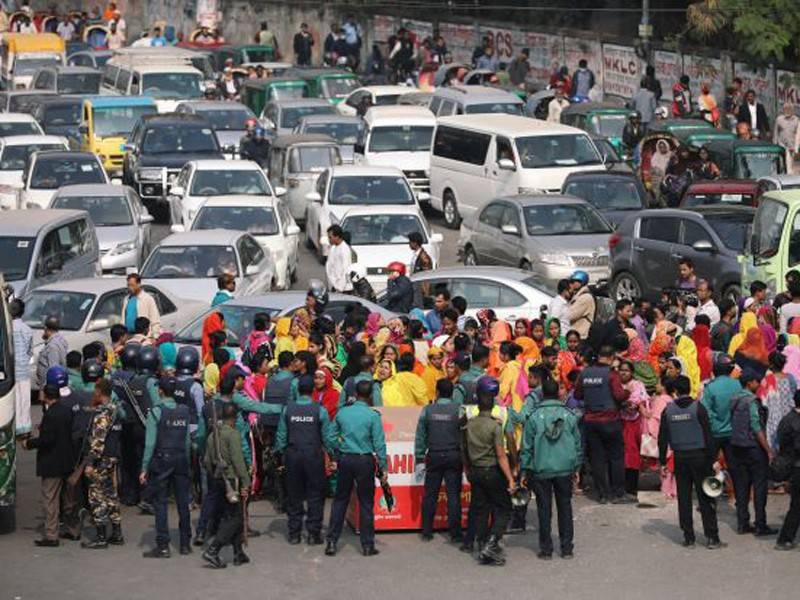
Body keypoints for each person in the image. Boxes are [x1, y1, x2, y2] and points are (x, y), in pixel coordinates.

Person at [325, 379, 387, 557]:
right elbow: (379, 444)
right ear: (370, 396)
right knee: (366, 503)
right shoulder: (373, 416)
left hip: (345, 459)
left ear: (356, 394)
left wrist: (335, 452)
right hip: (365, 461)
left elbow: (330, 437)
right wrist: (383, 466)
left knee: (340, 501)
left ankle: (331, 542)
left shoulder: (343, 413)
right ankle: (367, 545)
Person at [521, 377, 581, 559]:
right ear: (557, 393)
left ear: (541, 394)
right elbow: (578, 445)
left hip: (541, 469)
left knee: (544, 509)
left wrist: (524, 470)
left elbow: (526, 447)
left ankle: (546, 550)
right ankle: (566, 548)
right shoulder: (569, 415)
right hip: (564, 468)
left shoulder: (533, 417)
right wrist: (576, 469)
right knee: (565, 507)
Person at [658, 375, 722, 548]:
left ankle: (688, 537)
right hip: (700, 458)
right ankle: (712, 537)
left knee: (684, 499)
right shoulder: (698, 408)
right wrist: (713, 460)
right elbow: (709, 436)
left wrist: (663, 462)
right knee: (705, 497)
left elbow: (662, 438)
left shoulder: (668, 411)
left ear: (675, 391)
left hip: (680, 458)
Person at [274, 374, 335, 545]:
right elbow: (328, 437)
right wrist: (333, 454)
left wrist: (279, 455)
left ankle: (294, 533)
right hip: (313, 456)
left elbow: (281, 436)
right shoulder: (319, 409)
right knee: (315, 494)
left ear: (298, 389)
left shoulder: (288, 409)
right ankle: (314, 534)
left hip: (293, 455)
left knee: (294, 494)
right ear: (313, 390)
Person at [463, 376, 515, 566]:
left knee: (481, 510)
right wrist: (510, 478)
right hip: (492, 471)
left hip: (475, 471)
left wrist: (468, 469)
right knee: (504, 508)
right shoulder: (495, 426)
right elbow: (501, 455)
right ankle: (492, 543)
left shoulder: (469, 425)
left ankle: (483, 545)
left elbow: (464, 450)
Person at [140, 376, 192, 558]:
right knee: (182, 502)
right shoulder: (184, 411)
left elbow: (149, 443)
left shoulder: (156, 411)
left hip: (162, 460)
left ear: (160, 391)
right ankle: (185, 544)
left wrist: (144, 468)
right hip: (181, 459)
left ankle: (163, 545)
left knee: (160, 503)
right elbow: (186, 441)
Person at [573, 346, 630, 503]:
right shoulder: (612, 374)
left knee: (597, 458)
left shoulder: (584, 373)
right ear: (611, 357)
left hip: (591, 421)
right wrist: (628, 393)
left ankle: (603, 494)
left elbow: (577, 394)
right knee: (616, 457)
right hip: (610, 420)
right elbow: (619, 395)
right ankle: (618, 493)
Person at [201, 402, 252, 568]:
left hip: (217, 480)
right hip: (231, 480)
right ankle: (213, 549)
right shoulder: (233, 435)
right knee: (236, 518)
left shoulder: (212, 436)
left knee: (230, 515)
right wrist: (246, 481)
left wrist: (214, 475)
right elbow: (238, 461)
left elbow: (207, 461)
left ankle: (238, 553)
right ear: (235, 418)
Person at [23, 383, 74, 546]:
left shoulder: (50, 414)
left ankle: (51, 535)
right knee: (69, 499)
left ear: (47, 396)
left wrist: (29, 443)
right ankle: (73, 530)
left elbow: (47, 440)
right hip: (67, 461)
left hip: (52, 463)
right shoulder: (66, 410)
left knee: (50, 500)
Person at [414, 379, 462, 542]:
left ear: (437, 392)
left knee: (430, 494)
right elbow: (465, 434)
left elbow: (420, 436)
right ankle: (455, 533)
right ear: (452, 393)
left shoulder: (427, 410)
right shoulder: (459, 410)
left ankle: (427, 531)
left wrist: (419, 458)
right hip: (454, 455)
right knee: (453, 495)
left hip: (434, 454)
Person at [81, 376, 125, 549]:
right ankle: (117, 533)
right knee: (111, 494)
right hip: (113, 458)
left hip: (101, 460)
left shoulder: (102, 415)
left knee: (96, 496)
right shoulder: (115, 410)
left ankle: (100, 537)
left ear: (99, 392)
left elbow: (98, 441)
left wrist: (90, 463)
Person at [730, 373, 776, 536]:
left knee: (741, 487)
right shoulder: (752, 401)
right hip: (754, 449)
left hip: (736, 447)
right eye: (757, 381)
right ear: (750, 383)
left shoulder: (733, 399)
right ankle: (760, 524)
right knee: (759, 487)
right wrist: (768, 450)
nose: (759, 384)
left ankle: (743, 523)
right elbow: (756, 427)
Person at [775, 392, 800, 550]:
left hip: (792, 465)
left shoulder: (787, 419)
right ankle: (785, 538)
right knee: (797, 505)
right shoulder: (796, 423)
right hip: (797, 466)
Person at [10, 299, 33, 436]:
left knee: (14, 401)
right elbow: (30, 351)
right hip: (24, 369)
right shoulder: (27, 329)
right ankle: (25, 428)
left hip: (11, 371)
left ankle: (14, 427)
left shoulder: (8, 328)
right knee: (25, 400)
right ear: (23, 312)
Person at [121, 273, 161, 338]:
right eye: (128, 285)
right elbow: (123, 318)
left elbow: (155, 320)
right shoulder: (127, 299)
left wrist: (154, 336)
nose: (130, 288)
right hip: (129, 336)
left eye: (132, 285)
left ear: (139, 284)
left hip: (144, 337)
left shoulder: (147, 299)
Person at [36, 316, 68, 392]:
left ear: (45, 328)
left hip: (50, 388)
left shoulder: (52, 346)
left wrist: (45, 391)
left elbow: (53, 371)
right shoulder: (60, 340)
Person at [567, 270, 595, 339]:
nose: (571, 284)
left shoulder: (585, 298)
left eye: (573, 282)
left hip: (580, 336)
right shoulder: (577, 296)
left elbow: (569, 316)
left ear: (581, 282)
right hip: (574, 336)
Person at [325, 225, 353, 293]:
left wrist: (340, 288)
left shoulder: (344, 249)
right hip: (334, 286)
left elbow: (346, 270)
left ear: (337, 237)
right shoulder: (333, 248)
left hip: (343, 289)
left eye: (330, 237)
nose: (329, 239)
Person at [774, 102, 799, 174]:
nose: (787, 110)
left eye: (789, 109)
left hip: (791, 145)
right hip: (781, 145)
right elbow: (775, 132)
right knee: (781, 163)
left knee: (790, 165)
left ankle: (789, 177)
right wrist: (775, 144)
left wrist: (796, 148)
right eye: (785, 109)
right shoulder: (779, 119)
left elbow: (797, 134)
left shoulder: (796, 120)